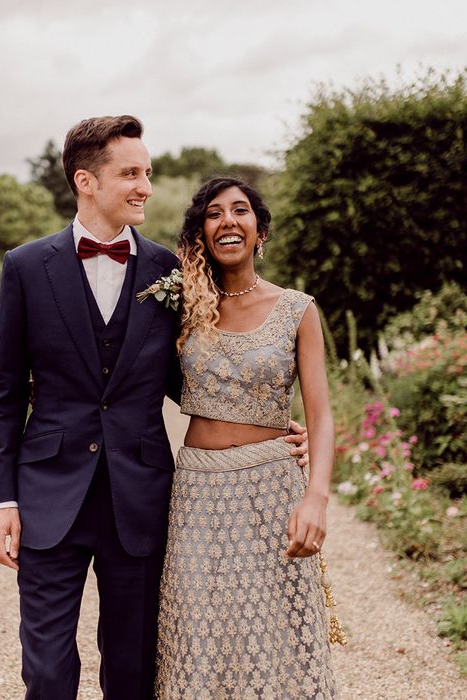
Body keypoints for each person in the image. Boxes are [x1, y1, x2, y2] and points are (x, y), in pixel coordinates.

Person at [0, 118, 308, 699]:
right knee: (49, 669)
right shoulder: (26, 267)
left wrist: (261, 425)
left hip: (141, 494)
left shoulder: (171, 272)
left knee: (133, 666)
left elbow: (189, 377)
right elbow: (5, 392)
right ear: (86, 180)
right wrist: (1, 500)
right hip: (47, 492)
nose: (146, 187)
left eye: (148, 173)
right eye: (130, 173)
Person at [155, 177, 338, 698]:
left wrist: (316, 499)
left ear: (259, 230)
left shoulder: (298, 309)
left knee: (278, 635)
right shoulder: (182, 307)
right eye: (214, 214)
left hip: (272, 489)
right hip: (197, 493)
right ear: (201, 232)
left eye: (240, 211)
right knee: (196, 633)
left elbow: (321, 416)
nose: (228, 221)